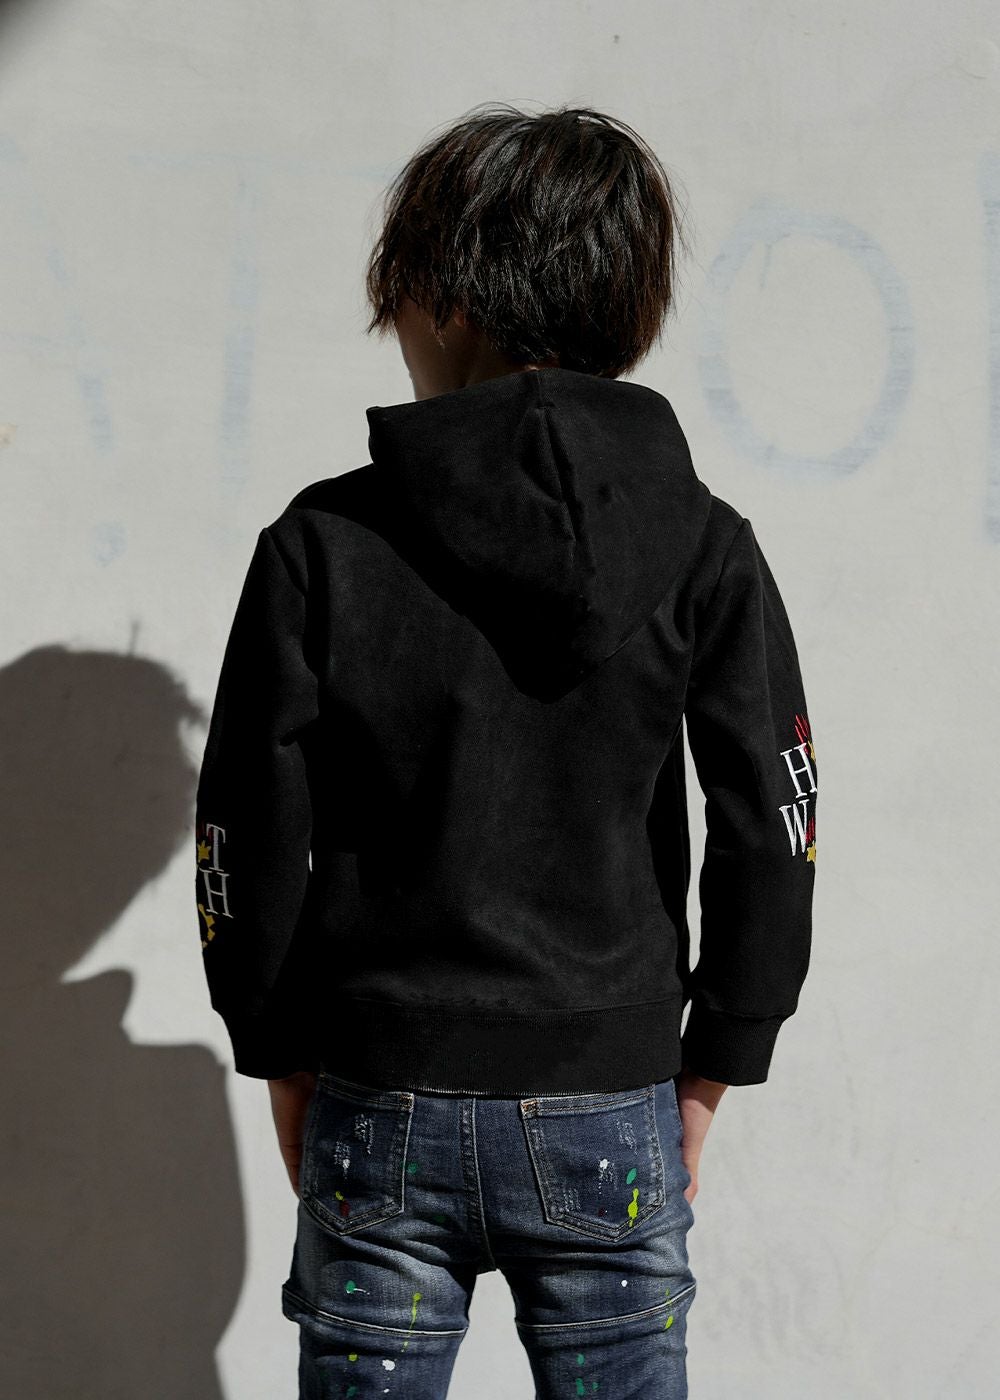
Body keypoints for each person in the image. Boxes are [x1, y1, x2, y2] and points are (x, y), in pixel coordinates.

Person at [194, 102, 818, 1399]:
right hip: (611, 1100)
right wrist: (720, 1057)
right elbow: (774, 818)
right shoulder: (707, 542)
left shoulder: (323, 544)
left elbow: (247, 814)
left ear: (444, 301)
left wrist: (272, 1039)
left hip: (380, 1092)